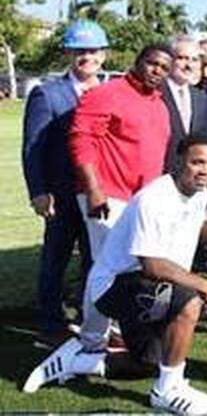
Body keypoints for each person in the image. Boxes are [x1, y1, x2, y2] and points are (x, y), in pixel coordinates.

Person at [24, 136, 207, 415]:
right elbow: (151, 264)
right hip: (113, 285)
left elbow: (196, 234)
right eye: (197, 161)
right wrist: (204, 284)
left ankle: (78, 361)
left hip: (147, 284)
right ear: (179, 161)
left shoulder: (199, 195)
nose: (205, 170)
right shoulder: (155, 198)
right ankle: (167, 391)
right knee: (190, 302)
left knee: (149, 362)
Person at [23, 20, 108, 347]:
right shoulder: (48, 93)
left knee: (96, 260)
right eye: (80, 51)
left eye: (93, 51)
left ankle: (91, 321)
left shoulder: (110, 92)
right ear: (69, 53)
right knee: (55, 260)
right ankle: (50, 325)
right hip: (61, 193)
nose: (87, 57)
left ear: (103, 53)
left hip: (100, 192)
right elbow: (33, 147)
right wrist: (39, 191)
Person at [71, 44, 174, 260]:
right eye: (152, 64)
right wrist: (93, 189)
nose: (157, 71)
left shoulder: (159, 105)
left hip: (142, 199)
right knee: (111, 263)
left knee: (135, 266)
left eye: (164, 68)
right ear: (137, 62)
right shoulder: (106, 93)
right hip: (108, 196)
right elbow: (82, 141)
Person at [161, 35, 207, 173]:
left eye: (194, 60)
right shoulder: (156, 94)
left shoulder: (202, 98)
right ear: (170, 60)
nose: (189, 65)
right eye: (182, 58)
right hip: (159, 174)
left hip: (189, 178)